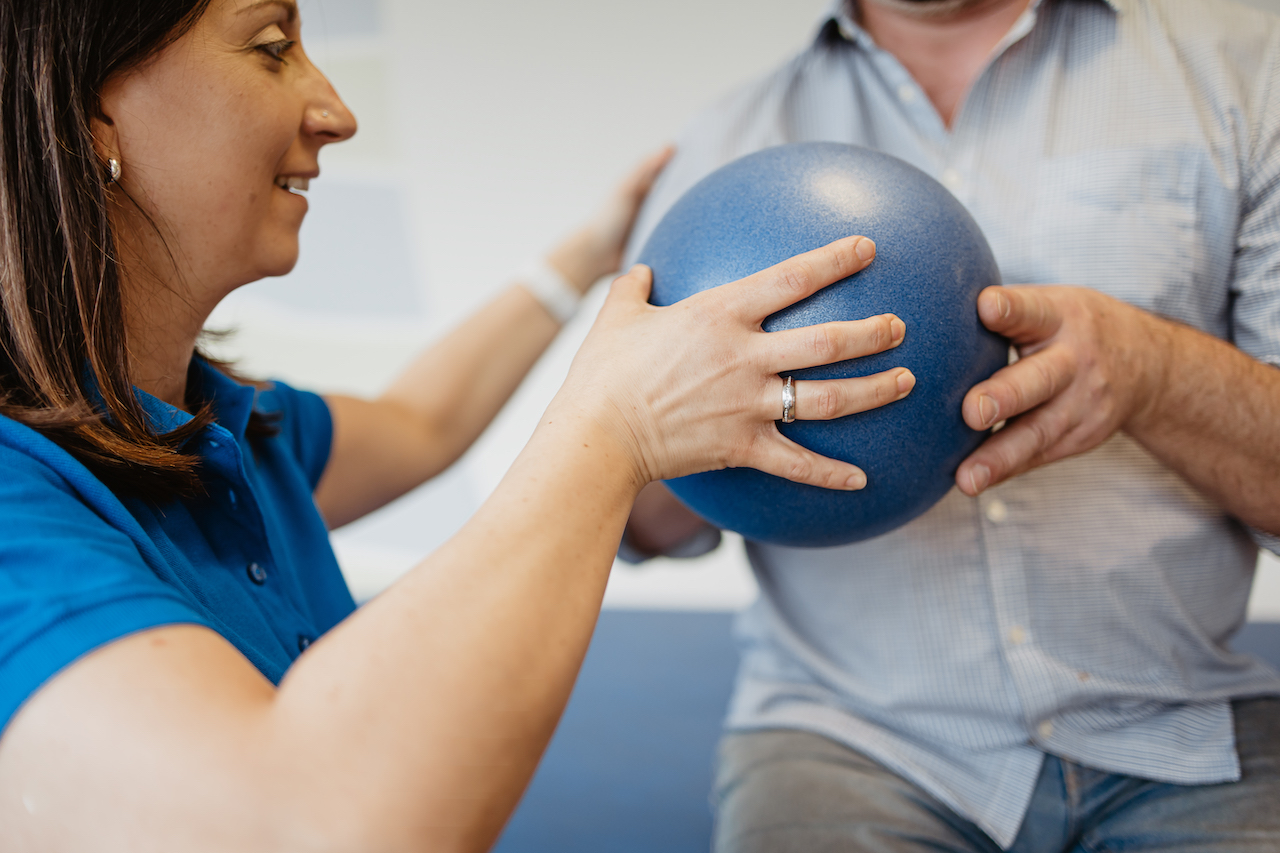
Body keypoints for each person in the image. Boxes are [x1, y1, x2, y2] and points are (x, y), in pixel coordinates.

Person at [0, 1, 922, 850]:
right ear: (94, 117)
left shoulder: (227, 430)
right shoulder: (18, 502)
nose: (335, 109)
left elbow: (421, 422)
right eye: (272, 47)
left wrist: (592, 255)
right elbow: (300, 826)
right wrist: (613, 429)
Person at [622, 0, 1280, 850]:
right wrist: (692, 429)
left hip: (1182, 733)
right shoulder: (722, 146)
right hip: (851, 740)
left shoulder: (1242, 77)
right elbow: (630, 508)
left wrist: (1154, 371)